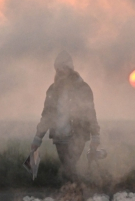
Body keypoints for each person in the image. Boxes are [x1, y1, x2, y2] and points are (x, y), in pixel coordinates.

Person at [30, 51, 100, 182]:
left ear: (69, 69)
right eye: (58, 69)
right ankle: (75, 193)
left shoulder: (83, 88)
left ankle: (75, 193)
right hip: (59, 137)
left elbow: (90, 113)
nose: (60, 72)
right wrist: (37, 138)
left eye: (63, 68)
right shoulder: (53, 90)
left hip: (78, 134)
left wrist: (95, 136)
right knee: (67, 168)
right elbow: (47, 115)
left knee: (69, 167)